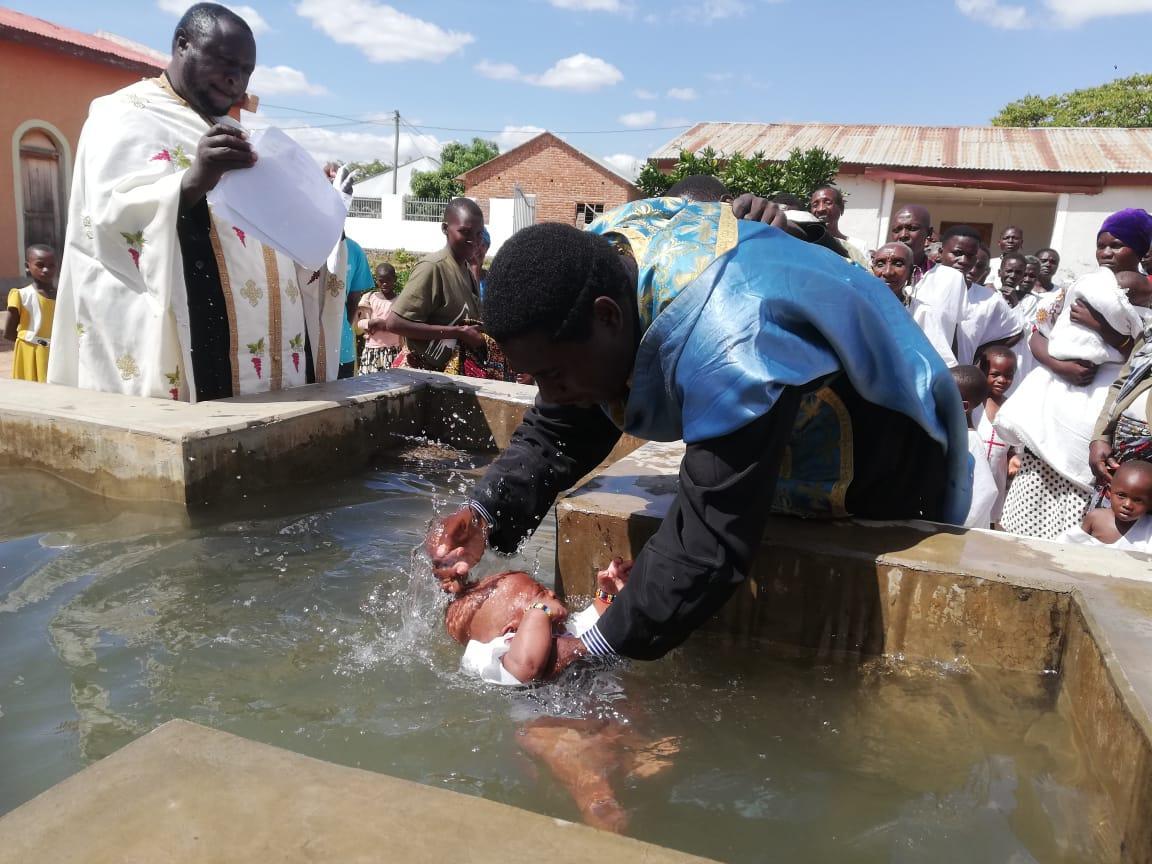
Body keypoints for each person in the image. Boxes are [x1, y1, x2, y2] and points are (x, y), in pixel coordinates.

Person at [427, 198, 970, 662]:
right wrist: (484, 512)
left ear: (608, 316)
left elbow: (709, 543)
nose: (551, 392)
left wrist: (589, 647)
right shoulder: (599, 262)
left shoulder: (731, 340)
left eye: (552, 375)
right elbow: (562, 422)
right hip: (773, 416)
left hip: (878, 445)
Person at [48, 3, 347, 401]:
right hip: (190, 339)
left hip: (260, 354)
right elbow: (107, 219)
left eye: (246, 71)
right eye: (225, 62)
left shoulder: (236, 132)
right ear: (182, 44)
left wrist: (320, 213)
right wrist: (193, 179)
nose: (235, 79)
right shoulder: (122, 114)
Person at [998, 209, 1152, 539]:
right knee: (1036, 481)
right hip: (1057, 398)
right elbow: (1037, 333)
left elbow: (1143, 358)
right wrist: (1061, 366)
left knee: (1084, 489)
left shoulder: (1146, 294)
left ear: (1140, 249)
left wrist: (1103, 328)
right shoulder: (1077, 287)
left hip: (1102, 403)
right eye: (1101, 245)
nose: (1106, 253)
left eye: (1117, 245)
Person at [443, 558, 629, 686]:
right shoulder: (497, 651)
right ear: (512, 631)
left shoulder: (564, 628)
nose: (551, 593)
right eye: (540, 594)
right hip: (550, 722)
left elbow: (596, 620)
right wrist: (540, 611)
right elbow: (527, 668)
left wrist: (609, 593)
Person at [366, 198, 485, 372]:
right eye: (465, 232)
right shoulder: (433, 267)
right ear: (445, 229)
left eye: (479, 234)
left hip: (447, 376)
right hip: (420, 375)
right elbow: (395, 323)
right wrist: (457, 332)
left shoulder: (466, 270)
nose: (473, 240)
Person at [939, 225, 1021, 366]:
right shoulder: (921, 287)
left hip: (961, 373)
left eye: (971, 256)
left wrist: (979, 353)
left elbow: (1014, 331)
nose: (963, 260)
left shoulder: (990, 299)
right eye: (957, 253)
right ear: (941, 252)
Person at [872, 241, 963, 367]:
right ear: (872, 269)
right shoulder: (858, 305)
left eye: (898, 264)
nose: (888, 272)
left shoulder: (921, 312)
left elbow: (944, 362)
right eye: (880, 264)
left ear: (912, 271)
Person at [974, 346, 1018, 527]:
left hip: (996, 478)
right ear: (983, 372)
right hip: (973, 475)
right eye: (995, 374)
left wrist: (1013, 457)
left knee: (989, 522)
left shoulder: (1013, 408)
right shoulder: (974, 403)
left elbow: (1014, 445)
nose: (1002, 380)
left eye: (1008, 375)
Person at [952, 364, 998, 529]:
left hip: (960, 532)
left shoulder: (971, 442)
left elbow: (985, 491)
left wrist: (957, 526)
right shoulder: (954, 436)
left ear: (963, 406)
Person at [1072, 460, 1152, 550]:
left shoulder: (1149, 529)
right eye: (1121, 495)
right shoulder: (1095, 518)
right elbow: (1072, 547)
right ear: (1109, 492)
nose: (1127, 505)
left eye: (1138, 500)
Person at [4, 244, 57, 382]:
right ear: (27, 266)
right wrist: (31, 343)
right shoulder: (22, 296)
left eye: (51, 265)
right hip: (29, 352)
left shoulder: (63, 297)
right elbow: (9, 333)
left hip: (55, 353)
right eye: (40, 265)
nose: (46, 270)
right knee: (30, 389)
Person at [356, 263, 402, 373]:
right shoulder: (368, 298)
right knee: (370, 382)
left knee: (392, 381)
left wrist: (387, 325)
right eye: (381, 281)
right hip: (372, 350)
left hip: (393, 350)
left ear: (395, 279)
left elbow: (403, 324)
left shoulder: (400, 301)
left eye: (388, 280)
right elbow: (358, 323)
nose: (385, 284)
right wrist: (373, 322)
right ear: (376, 280)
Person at [809, 185, 870, 267]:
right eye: (815, 205)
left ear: (841, 208)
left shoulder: (859, 246)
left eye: (828, 203)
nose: (821, 209)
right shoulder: (806, 244)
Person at [340, 235, 374, 378]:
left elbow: (354, 298)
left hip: (342, 347)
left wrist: (345, 326)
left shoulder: (353, 250)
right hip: (305, 346)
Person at [889, 205, 934, 284]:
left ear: (929, 232)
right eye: (897, 230)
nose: (903, 235)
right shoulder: (878, 274)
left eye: (913, 228)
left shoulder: (946, 278)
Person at [470, 227, 491, 301]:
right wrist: (475, 267)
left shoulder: (491, 279)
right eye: (475, 244)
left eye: (483, 245)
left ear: (487, 249)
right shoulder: (458, 276)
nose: (478, 248)